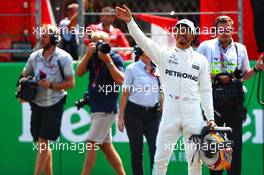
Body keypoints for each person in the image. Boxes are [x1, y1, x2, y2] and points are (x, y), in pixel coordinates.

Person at [115, 5, 216, 175]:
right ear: (174, 34)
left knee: (194, 160)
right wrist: (130, 22)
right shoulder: (164, 55)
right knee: (161, 158)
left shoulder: (201, 60)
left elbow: (205, 91)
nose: (182, 33)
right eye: (179, 30)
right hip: (170, 109)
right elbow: (143, 42)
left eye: (186, 30)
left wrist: (210, 117)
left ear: (192, 35)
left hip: (193, 110)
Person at [197, 15, 264, 175]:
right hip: (213, 103)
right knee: (214, 144)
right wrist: (218, 77)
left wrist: (256, 69)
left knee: (235, 145)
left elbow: (245, 75)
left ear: (232, 29)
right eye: (221, 29)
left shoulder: (240, 48)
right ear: (216, 30)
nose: (225, 32)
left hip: (234, 103)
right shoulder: (205, 46)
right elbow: (198, 71)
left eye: (228, 29)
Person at [19, 24, 75, 175]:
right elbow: (23, 75)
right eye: (41, 35)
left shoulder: (64, 58)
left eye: (44, 36)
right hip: (36, 103)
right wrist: (20, 93)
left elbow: (71, 83)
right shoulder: (34, 56)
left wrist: (50, 85)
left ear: (54, 38)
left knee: (44, 141)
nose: (41, 38)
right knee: (41, 144)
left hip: (54, 102)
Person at [76, 31, 126, 175]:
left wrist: (108, 60)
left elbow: (121, 80)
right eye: (94, 42)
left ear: (108, 44)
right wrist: (87, 54)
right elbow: (79, 73)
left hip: (106, 109)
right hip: (96, 107)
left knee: (91, 143)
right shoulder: (91, 57)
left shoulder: (115, 58)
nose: (98, 45)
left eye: (101, 42)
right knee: (106, 147)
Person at [118, 46, 162, 175]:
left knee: (155, 148)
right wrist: (120, 117)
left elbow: (161, 92)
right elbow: (125, 93)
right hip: (134, 113)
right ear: (140, 52)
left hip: (153, 113)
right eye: (147, 49)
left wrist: (164, 113)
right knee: (137, 150)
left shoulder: (158, 68)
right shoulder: (131, 69)